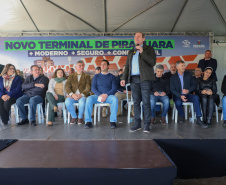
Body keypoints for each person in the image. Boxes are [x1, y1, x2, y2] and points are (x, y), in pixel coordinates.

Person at [121, 32, 156, 133]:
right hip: (133, 79)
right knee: (136, 102)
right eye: (135, 37)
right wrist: (123, 78)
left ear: (143, 39)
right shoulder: (131, 51)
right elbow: (127, 66)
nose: (136, 38)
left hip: (145, 79)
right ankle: (137, 124)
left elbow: (152, 62)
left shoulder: (149, 49)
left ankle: (147, 125)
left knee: (146, 102)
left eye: (138, 37)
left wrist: (142, 52)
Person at [170, 60, 208, 128]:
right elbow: (172, 89)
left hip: (187, 95)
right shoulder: (173, 77)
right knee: (178, 103)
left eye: (184, 65)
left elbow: (194, 85)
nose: (184, 67)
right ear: (177, 67)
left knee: (196, 97)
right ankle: (182, 116)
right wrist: (180, 95)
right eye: (182, 66)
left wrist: (188, 90)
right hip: (178, 96)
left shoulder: (189, 74)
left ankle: (198, 119)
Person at [85, 59, 118, 129]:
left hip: (108, 96)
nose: (102, 66)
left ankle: (113, 121)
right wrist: (100, 95)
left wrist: (106, 95)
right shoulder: (96, 76)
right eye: (101, 64)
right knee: (89, 99)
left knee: (115, 99)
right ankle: (88, 121)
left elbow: (114, 89)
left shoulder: (112, 77)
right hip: (98, 96)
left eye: (104, 64)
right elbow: (93, 88)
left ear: (108, 66)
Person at [65, 60, 91, 124]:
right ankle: (74, 117)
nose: (82, 67)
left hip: (82, 96)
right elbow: (67, 86)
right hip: (73, 96)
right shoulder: (71, 76)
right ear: (76, 67)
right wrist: (72, 94)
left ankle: (80, 118)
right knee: (67, 101)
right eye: (80, 66)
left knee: (82, 102)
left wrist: (81, 95)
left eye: (82, 66)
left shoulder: (87, 76)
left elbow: (88, 88)